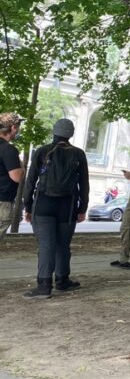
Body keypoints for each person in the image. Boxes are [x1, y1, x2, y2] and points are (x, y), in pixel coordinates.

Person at [22, 118, 89, 299]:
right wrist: (82, 207)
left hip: (43, 204)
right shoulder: (79, 154)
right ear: (71, 134)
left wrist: (27, 206)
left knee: (46, 245)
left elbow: (30, 182)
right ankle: (62, 280)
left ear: (54, 131)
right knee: (63, 245)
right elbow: (84, 183)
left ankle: (44, 286)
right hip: (67, 206)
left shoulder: (42, 152)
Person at [0, 113, 24, 243]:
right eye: (18, 126)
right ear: (13, 127)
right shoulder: (8, 150)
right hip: (2, 202)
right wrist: (22, 167)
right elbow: (17, 177)